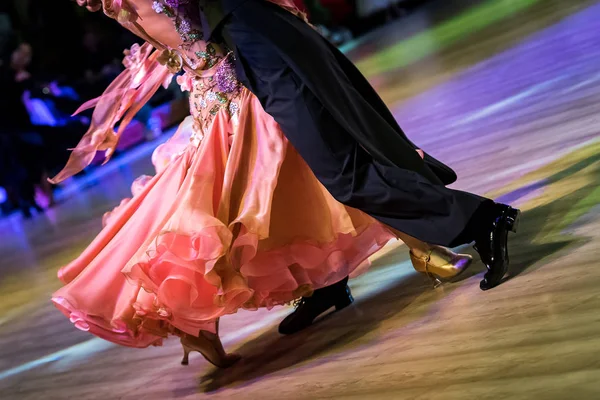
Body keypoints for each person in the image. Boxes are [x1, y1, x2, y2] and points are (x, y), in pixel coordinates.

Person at [52, 0, 473, 368]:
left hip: (236, 85)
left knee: (283, 188)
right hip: (235, 91)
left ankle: (414, 249)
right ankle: (408, 254)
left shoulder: (111, 5)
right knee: (247, 204)